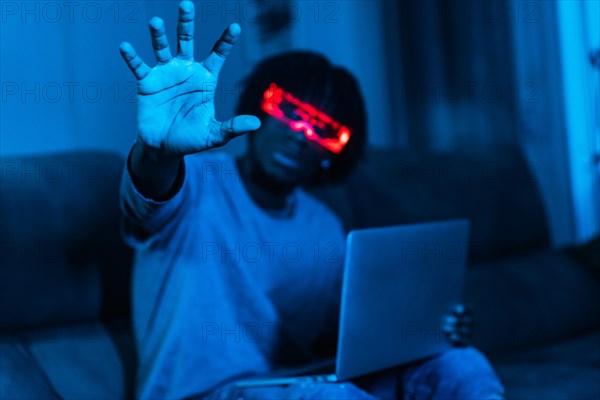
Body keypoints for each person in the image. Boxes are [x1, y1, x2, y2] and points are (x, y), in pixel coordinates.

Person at [118, 1, 505, 399]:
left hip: (295, 381)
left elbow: (344, 339)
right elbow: (150, 191)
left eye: (323, 130)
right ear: (258, 107)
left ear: (330, 157)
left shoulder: (324, 227)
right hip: (204, 393)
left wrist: (426, 329)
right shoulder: (197, 181)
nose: (299, 135)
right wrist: (158, 151)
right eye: (287, 109)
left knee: (460, 363)